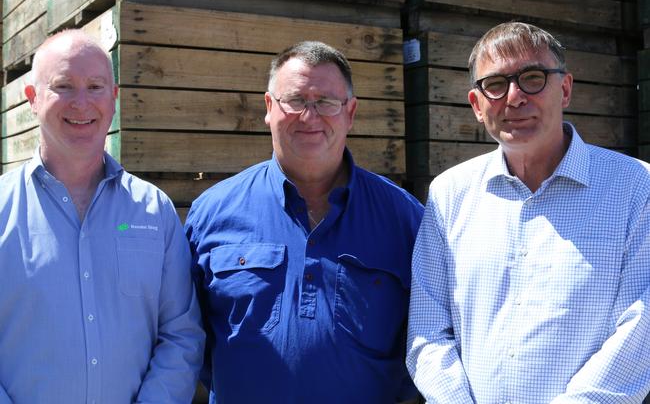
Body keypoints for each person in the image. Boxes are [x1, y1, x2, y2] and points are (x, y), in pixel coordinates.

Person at [407, 21, 650, 402]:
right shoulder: (449, 195)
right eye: (496, 85)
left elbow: (643, 327)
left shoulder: (636, 188)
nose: (515, 97)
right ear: (476, 104)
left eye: (533, 78)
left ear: (565, 88)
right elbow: (427, 330)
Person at [185, 41, 424, 404]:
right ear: (269, 107)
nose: (310, 116)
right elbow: (189, 337)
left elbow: (426, 336)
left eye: (326, 102)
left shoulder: (404, 218)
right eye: (295, 100)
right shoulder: (212, 213)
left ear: (350, 112)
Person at [0, 30, 205, 403]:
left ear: (113, 99)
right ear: (32, 99)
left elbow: (181, 333)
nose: (82, 103)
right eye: (64, 86)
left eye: (95, 87)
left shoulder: (154, 211)